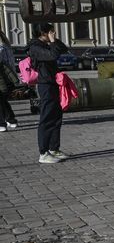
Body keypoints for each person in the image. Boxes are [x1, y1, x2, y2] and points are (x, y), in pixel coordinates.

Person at [28, 23, 69, 164]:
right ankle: (43, 153)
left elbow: (63, 49)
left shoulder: (46, 44)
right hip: (45, 84)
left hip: (53, 82)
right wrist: (52, 42)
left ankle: (53, 148)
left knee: (56, 117)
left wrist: (55, 41)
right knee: (46, 118)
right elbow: (52, 56)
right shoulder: (35, 47)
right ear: (43, 33)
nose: (53, 33)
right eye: (51, 32)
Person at [0, 31, 19, 132]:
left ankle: (2, 124)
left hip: (3, 79)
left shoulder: (1, 48)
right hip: (9, 78)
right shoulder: (6, 46)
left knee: (1, 101)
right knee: (3, 101)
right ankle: (11, 120)